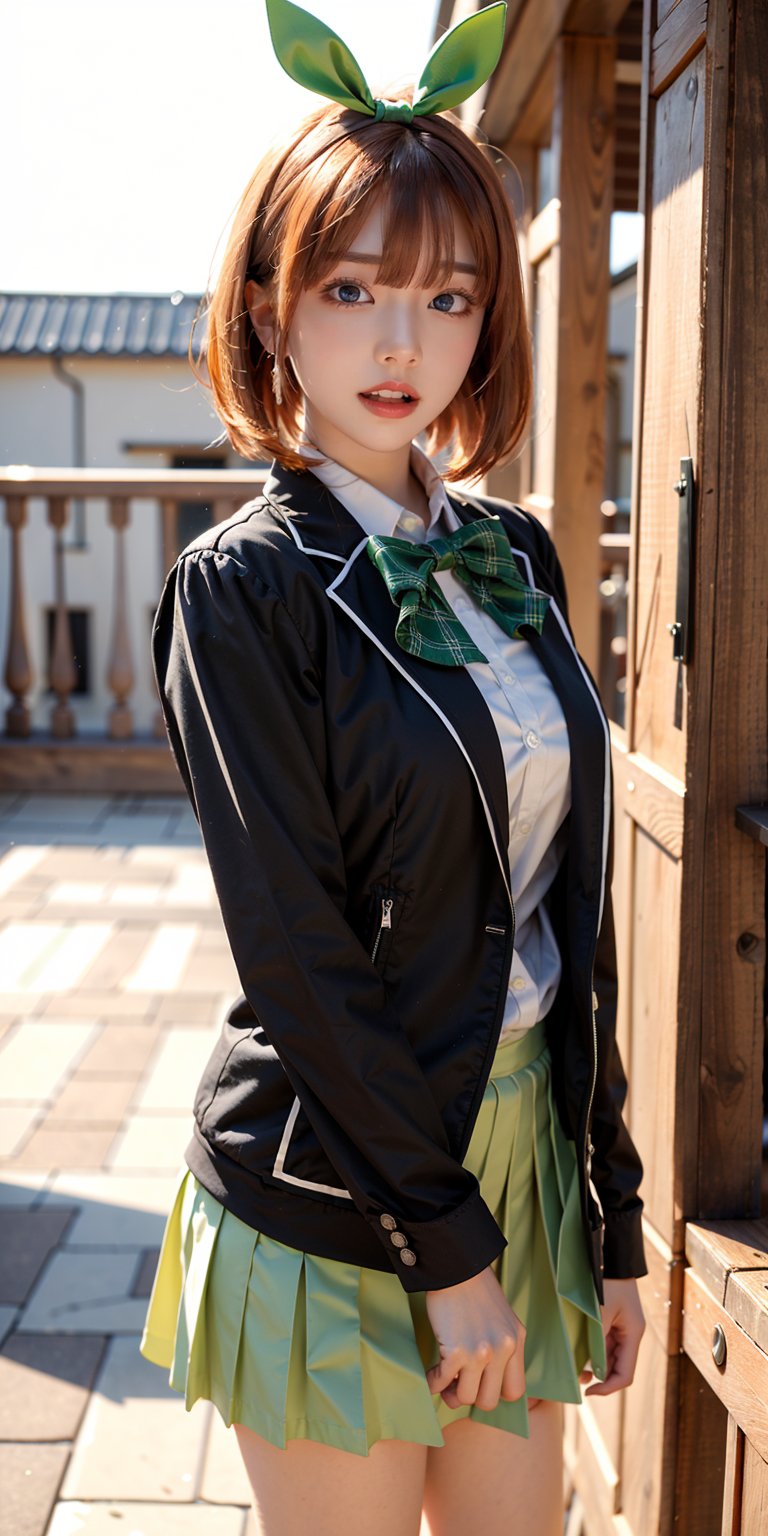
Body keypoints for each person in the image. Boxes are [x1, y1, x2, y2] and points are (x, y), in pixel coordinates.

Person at [139, 2, 647, 1532]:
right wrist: (451, 1251)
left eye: (449, 297)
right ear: (274, 305)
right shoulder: (240, 590)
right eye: (352, 287)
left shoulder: (511, 554)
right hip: (338, 1174)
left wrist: (607, 1214)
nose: (399, 342)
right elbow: (296, 950)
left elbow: (573, 911)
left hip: (522, 1154)